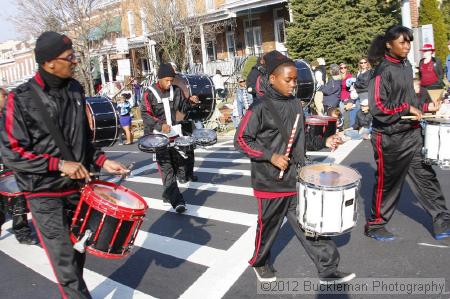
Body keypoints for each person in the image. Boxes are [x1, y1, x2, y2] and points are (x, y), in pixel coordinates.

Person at [0, 31, 129, 299]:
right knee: (67, 268)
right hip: (44, 194)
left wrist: (103, 161)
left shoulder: (76, 90)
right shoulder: (20, 99)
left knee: (78, 256)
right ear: (49, 63)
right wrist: (59, 164)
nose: (75, 62)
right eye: (69, 57)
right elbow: (11, 153)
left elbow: (82, 143)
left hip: (78, 191)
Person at [234, 50, 354, 284]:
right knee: (268, 228)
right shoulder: (258, 108)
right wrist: (270, 156)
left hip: (296, 177)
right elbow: (241, 140)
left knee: (310, 224)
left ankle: (327, 268)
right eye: (288, 80)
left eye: (295, 80)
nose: (293, 85)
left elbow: (302, 140)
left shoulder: (296, 105)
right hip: (269, 180)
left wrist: (324, 141)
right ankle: (260, 262)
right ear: (272, 79)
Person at [365, 25, 450, 241]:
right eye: (402, 42)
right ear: (388, 44)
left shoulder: (406, 65)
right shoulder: (380, 71)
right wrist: (406, 109)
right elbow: (378, 107)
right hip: (389, 138)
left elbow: (410, 99)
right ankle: (375, 225)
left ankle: (442, 220)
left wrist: (426, 106)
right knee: (388, 184)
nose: (407, 46)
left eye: (409, 42)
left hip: (411, 134)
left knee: (426, 177)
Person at [141, 63, 199, 211]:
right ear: (159, 78)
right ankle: (178, 202)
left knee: (179, 167)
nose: (169, 83)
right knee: (167, 169)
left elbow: (182, 108)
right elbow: (145, 114)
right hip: (158, 137)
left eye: (171, 80)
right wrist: (160, 125)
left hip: (175, 134)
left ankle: (168, 194)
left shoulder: (176, 90)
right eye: (166, 80)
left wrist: (191, 102)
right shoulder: (149, 93)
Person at [0, 88, 36, 245]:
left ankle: (22, 232)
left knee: (18, 198)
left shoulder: (12, 115)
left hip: (12, 163)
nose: (6, 98)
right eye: (4, 95)